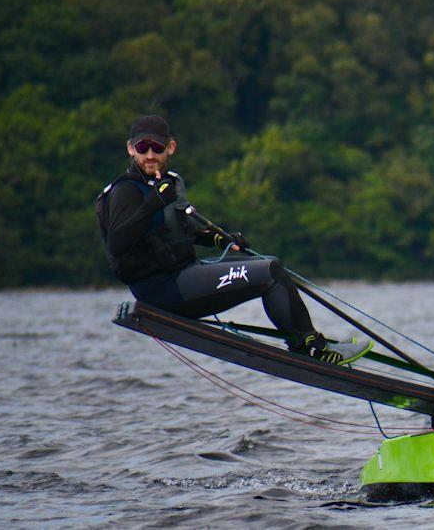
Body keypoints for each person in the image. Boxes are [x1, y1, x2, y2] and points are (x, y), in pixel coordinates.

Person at [96, 114, 371, 364]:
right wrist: (154, 202)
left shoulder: (169, 182)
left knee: (272, 267)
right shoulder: (126, 191)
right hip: (163, 291)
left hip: (184, 275)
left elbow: (179, 232)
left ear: (171, 147)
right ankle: (311, 348)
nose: (150, 155)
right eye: (142, 148)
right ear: (131, 149)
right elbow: (117, 245)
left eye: (156, 147)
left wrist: (217, 239)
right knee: (270, 272)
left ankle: (308, 341)